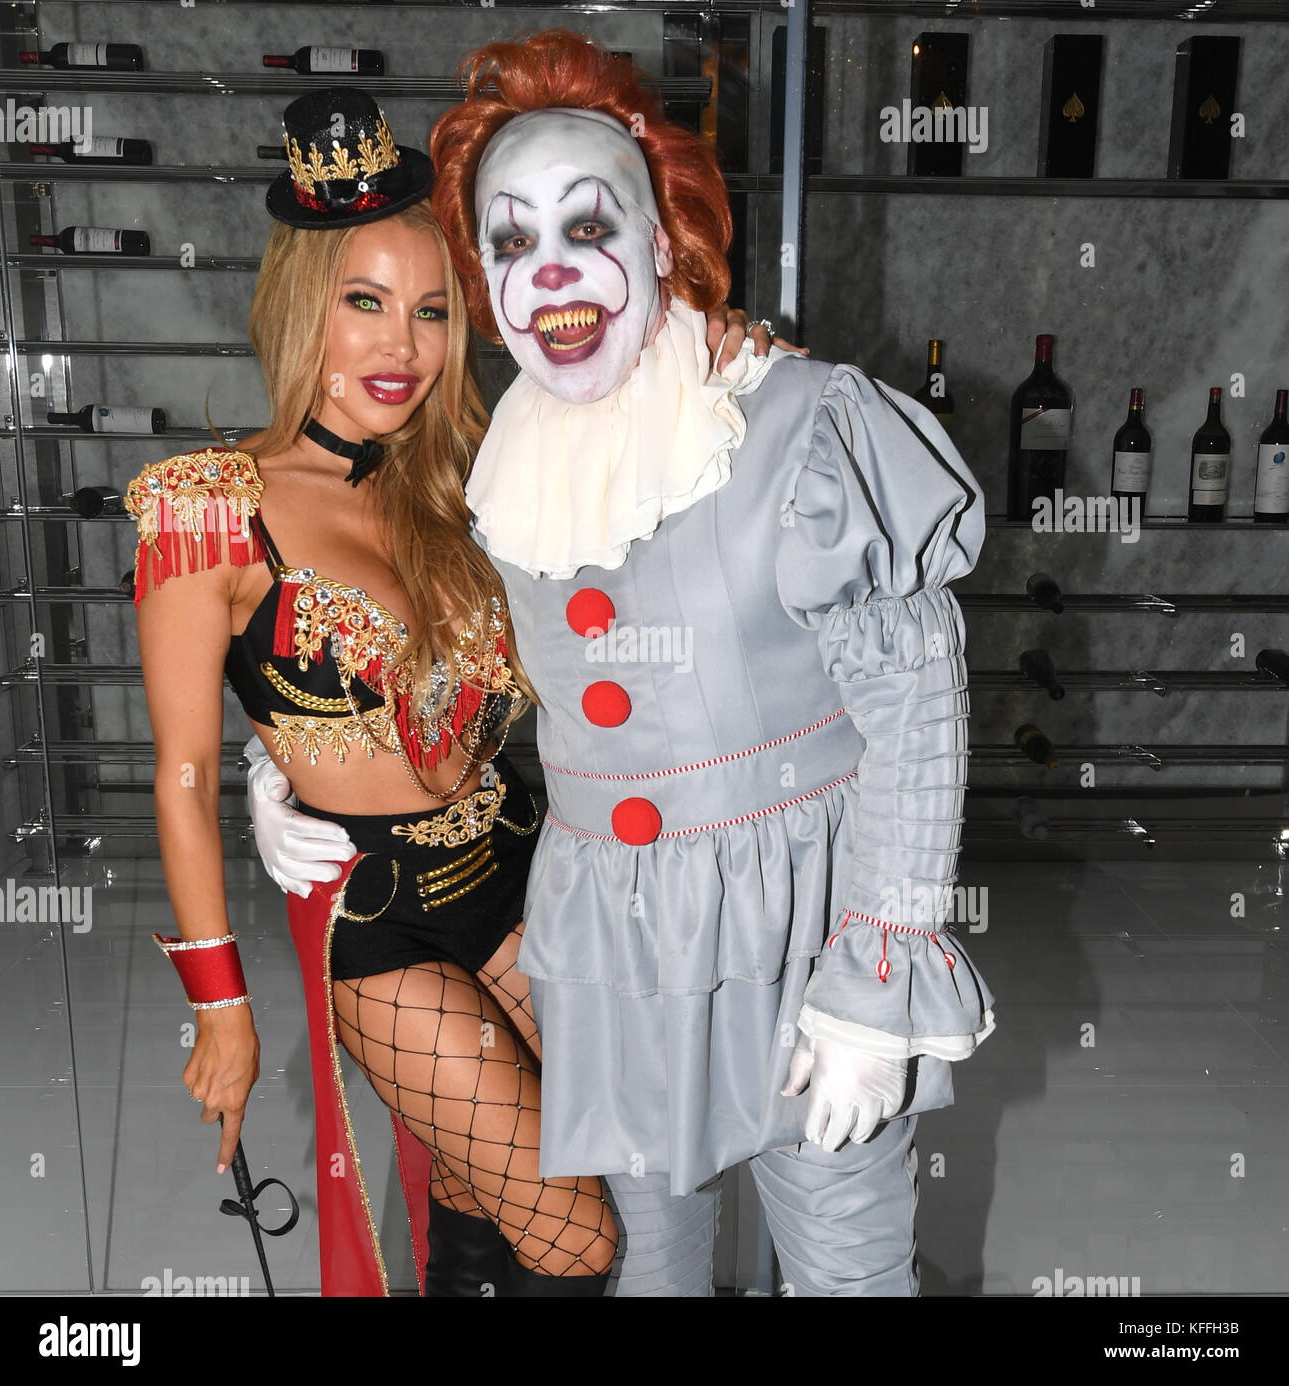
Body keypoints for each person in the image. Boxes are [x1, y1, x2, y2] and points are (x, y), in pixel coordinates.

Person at [254, 29, 997, 1297]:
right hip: (606, 946)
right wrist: (283, 767)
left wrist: (874, 982)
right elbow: (421, 650)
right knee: (646, 1268)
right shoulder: (500, 465)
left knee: (846, 1268)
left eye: (589, 226)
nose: (550, 270)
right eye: (510, 243)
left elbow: (919, 712)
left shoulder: (801, 424)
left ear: (662, 243)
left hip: (799, 931)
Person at [127, 87, 773, 1297]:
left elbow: (635, 451)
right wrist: (219, 1005)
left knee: (501, 1181)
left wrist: (719, 349)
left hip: (526, 871)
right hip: (383, 926)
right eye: (364, 304)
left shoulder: (465, 474)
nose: (403, 348)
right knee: (577, 1233)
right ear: (300, 307)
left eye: (431, 311)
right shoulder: (206, 509)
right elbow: (177, 771)